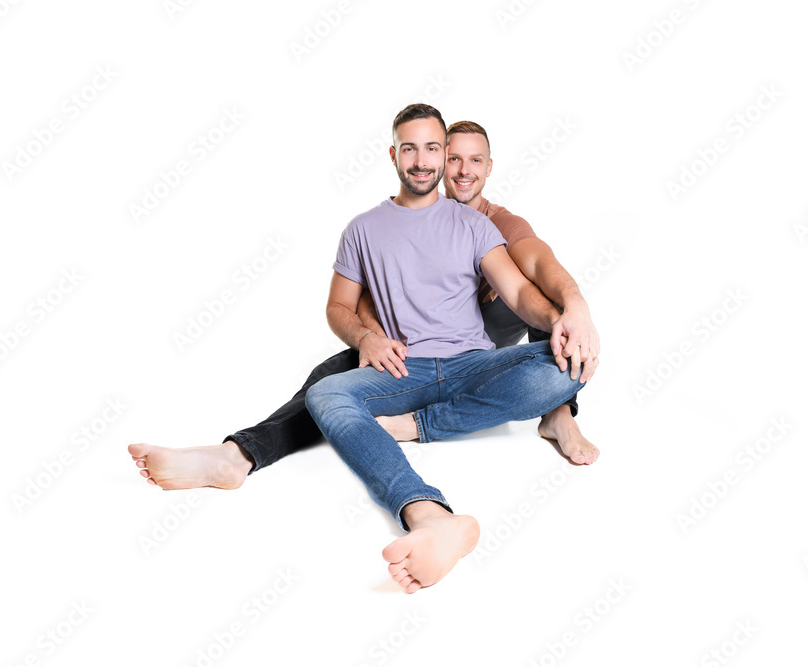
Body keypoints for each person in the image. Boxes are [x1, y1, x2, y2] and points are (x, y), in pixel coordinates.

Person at [127, 118, 601, 492]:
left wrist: (573, 309)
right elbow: (362, 300)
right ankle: (240, 455)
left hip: (485, 346)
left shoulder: (493, 222)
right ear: (422, 158)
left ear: (489, 167)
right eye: (450, 156)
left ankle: (557, 412)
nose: (460, 170)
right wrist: (370, 338)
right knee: (327, 379)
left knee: (558, 325)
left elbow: (533, 274)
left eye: (473, 160)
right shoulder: (384, 224)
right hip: (412, 352)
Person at [301, 103, 589, 593]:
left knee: (568, 366)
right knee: (325, 394)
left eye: (432, 148)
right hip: (402, 369)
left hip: (472, 362)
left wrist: (563, 321)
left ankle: (421, 426)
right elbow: (337, 307)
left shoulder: (477, 225)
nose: (421, 160)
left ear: (443, 154)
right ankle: (431, 517)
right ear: (393, 155)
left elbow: (519, 292)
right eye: (409, 148)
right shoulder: (363, 229)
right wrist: (365, 336)